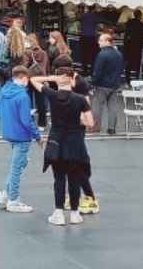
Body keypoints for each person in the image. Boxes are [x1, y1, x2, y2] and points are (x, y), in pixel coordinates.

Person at [31, 67, 95, 226]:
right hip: (75, 143)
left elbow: (33, 80)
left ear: (59, 79)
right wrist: (77, 120)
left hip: (56, 141)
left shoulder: (52, 95)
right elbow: (90, 123)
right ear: (71, 79)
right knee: (74, 178)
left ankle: (58, 213)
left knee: (59, 178)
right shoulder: (80, 99)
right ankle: (74, 213)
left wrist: (53, 78)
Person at [0, 66, 41, 213]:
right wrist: (37, 135)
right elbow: (26, 120)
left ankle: (6, 193)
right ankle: (13, 199)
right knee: (17, 167)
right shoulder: (22, 96)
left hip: (9, 132)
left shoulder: (3, 91)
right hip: (21, 136)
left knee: (19, 163)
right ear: (23, 78)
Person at [89, 32, 125, 135]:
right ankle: (111, 128)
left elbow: (97, 72)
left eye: (100, 40)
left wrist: (92, 83)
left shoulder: (102, 54)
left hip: (102, 85)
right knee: (112, 107)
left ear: (107, 41)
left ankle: (95, 127)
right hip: (115, 84)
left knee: (97, 106)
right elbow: (120, 69)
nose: (98, 42)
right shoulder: (119, 54)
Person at [25, 33, 50, 127]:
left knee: (28, 101)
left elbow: (24, 66)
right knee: (41, 102)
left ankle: (30, 121)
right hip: (40, 79)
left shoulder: (26, 52)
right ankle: (42, 124)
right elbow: (47, 67)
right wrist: (47, 78)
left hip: (29, 79)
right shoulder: (43, 52)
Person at [123, 10, 143, 84]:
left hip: (129, 46)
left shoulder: (129, 22)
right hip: (137, 46)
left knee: (128, 63)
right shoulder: (141, 24)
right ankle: (136, 79)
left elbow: (125, 33)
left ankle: (127, 80)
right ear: (140, 16)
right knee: (137, 63)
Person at [79, 6, 100, 71]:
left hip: (83, 37)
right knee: (93, 55)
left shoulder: (83, 15)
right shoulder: (95, 16)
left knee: (84, 54)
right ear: (93, 9)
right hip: (92, 37)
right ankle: (92, 69)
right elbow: (100, 23)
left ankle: (84, 69)